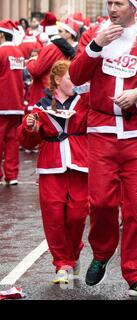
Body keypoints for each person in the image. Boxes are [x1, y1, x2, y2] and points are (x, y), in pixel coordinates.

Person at [69, 0, 137, 299]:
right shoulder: (94, 33)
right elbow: (76, 77)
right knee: (101, 201)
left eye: (119, 3)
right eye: (109, 2)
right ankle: (102, 252)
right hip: (102, 129)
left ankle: (136, 275)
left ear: (134, 7)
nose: (112, 8)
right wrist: (95, 46)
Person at [18, 60, 89, 284]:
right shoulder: (40, 106)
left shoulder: (84, 102)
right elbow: (27, 141)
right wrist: (30, 126)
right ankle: (62, 263)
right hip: (51, 166)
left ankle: (74, 253)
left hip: (79, 164)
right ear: (58, 80)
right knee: (53, 217)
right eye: (70, 78)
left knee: (78, 214)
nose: (75, 83)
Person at [27, 12, 76, 107]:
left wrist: (31, 61)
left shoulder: (51, 47)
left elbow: (36, 70)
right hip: (54, 90)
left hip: (45, 90)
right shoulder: (57, 47)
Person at [0, 20, 25, 186]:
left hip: (2, 103)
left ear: (1, 35)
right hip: (16, 103)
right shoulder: (19, 52)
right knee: (12, 141)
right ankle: (12, 174)